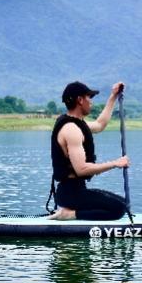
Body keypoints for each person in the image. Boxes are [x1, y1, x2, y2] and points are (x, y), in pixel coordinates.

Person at [47, 81, 130, 221]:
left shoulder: (78, 124)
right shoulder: (71, 129)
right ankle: (70, 214)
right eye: (89, 97)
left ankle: (71, 210)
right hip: (70, 193)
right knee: (118, 208)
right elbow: (81, 169)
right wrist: (115, 163)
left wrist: (113, 96)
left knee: (124, 203)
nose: (91, 102)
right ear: (80, 100)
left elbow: (100, 124)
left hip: (77, 190)